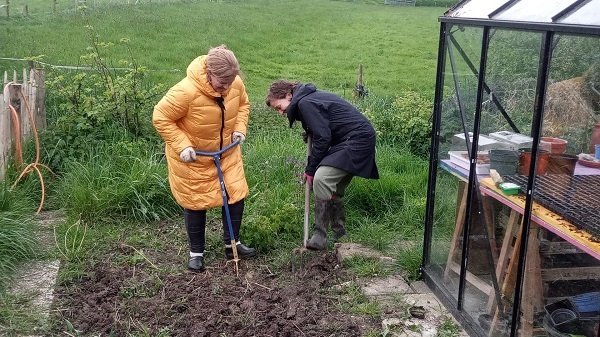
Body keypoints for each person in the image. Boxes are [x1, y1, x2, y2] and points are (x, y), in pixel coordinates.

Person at [153, 45, 255, 272]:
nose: (226, 88)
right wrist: (182, 145)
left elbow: (243, 105)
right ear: (209, 73)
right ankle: (196, 253)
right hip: (194, 158)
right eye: (222, 84)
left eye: (230, 84)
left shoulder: (234, 84)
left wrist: (240, 128)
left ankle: (233, 245)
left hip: (227, 152)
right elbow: (160, 116)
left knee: (236, 194)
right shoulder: (185, 91)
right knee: (196, 202)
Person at [265, 80, 379, 250]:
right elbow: (326, 127)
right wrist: (312, 130)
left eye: (279, 107)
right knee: (332, 188)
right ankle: (339, 234)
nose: (281, 112)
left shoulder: (305, 103)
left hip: (357, 140)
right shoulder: (307, 100)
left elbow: (323, 137)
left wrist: (310, 169)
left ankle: (320, 236)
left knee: (321, 179)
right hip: (354, 139)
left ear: (289, 95)